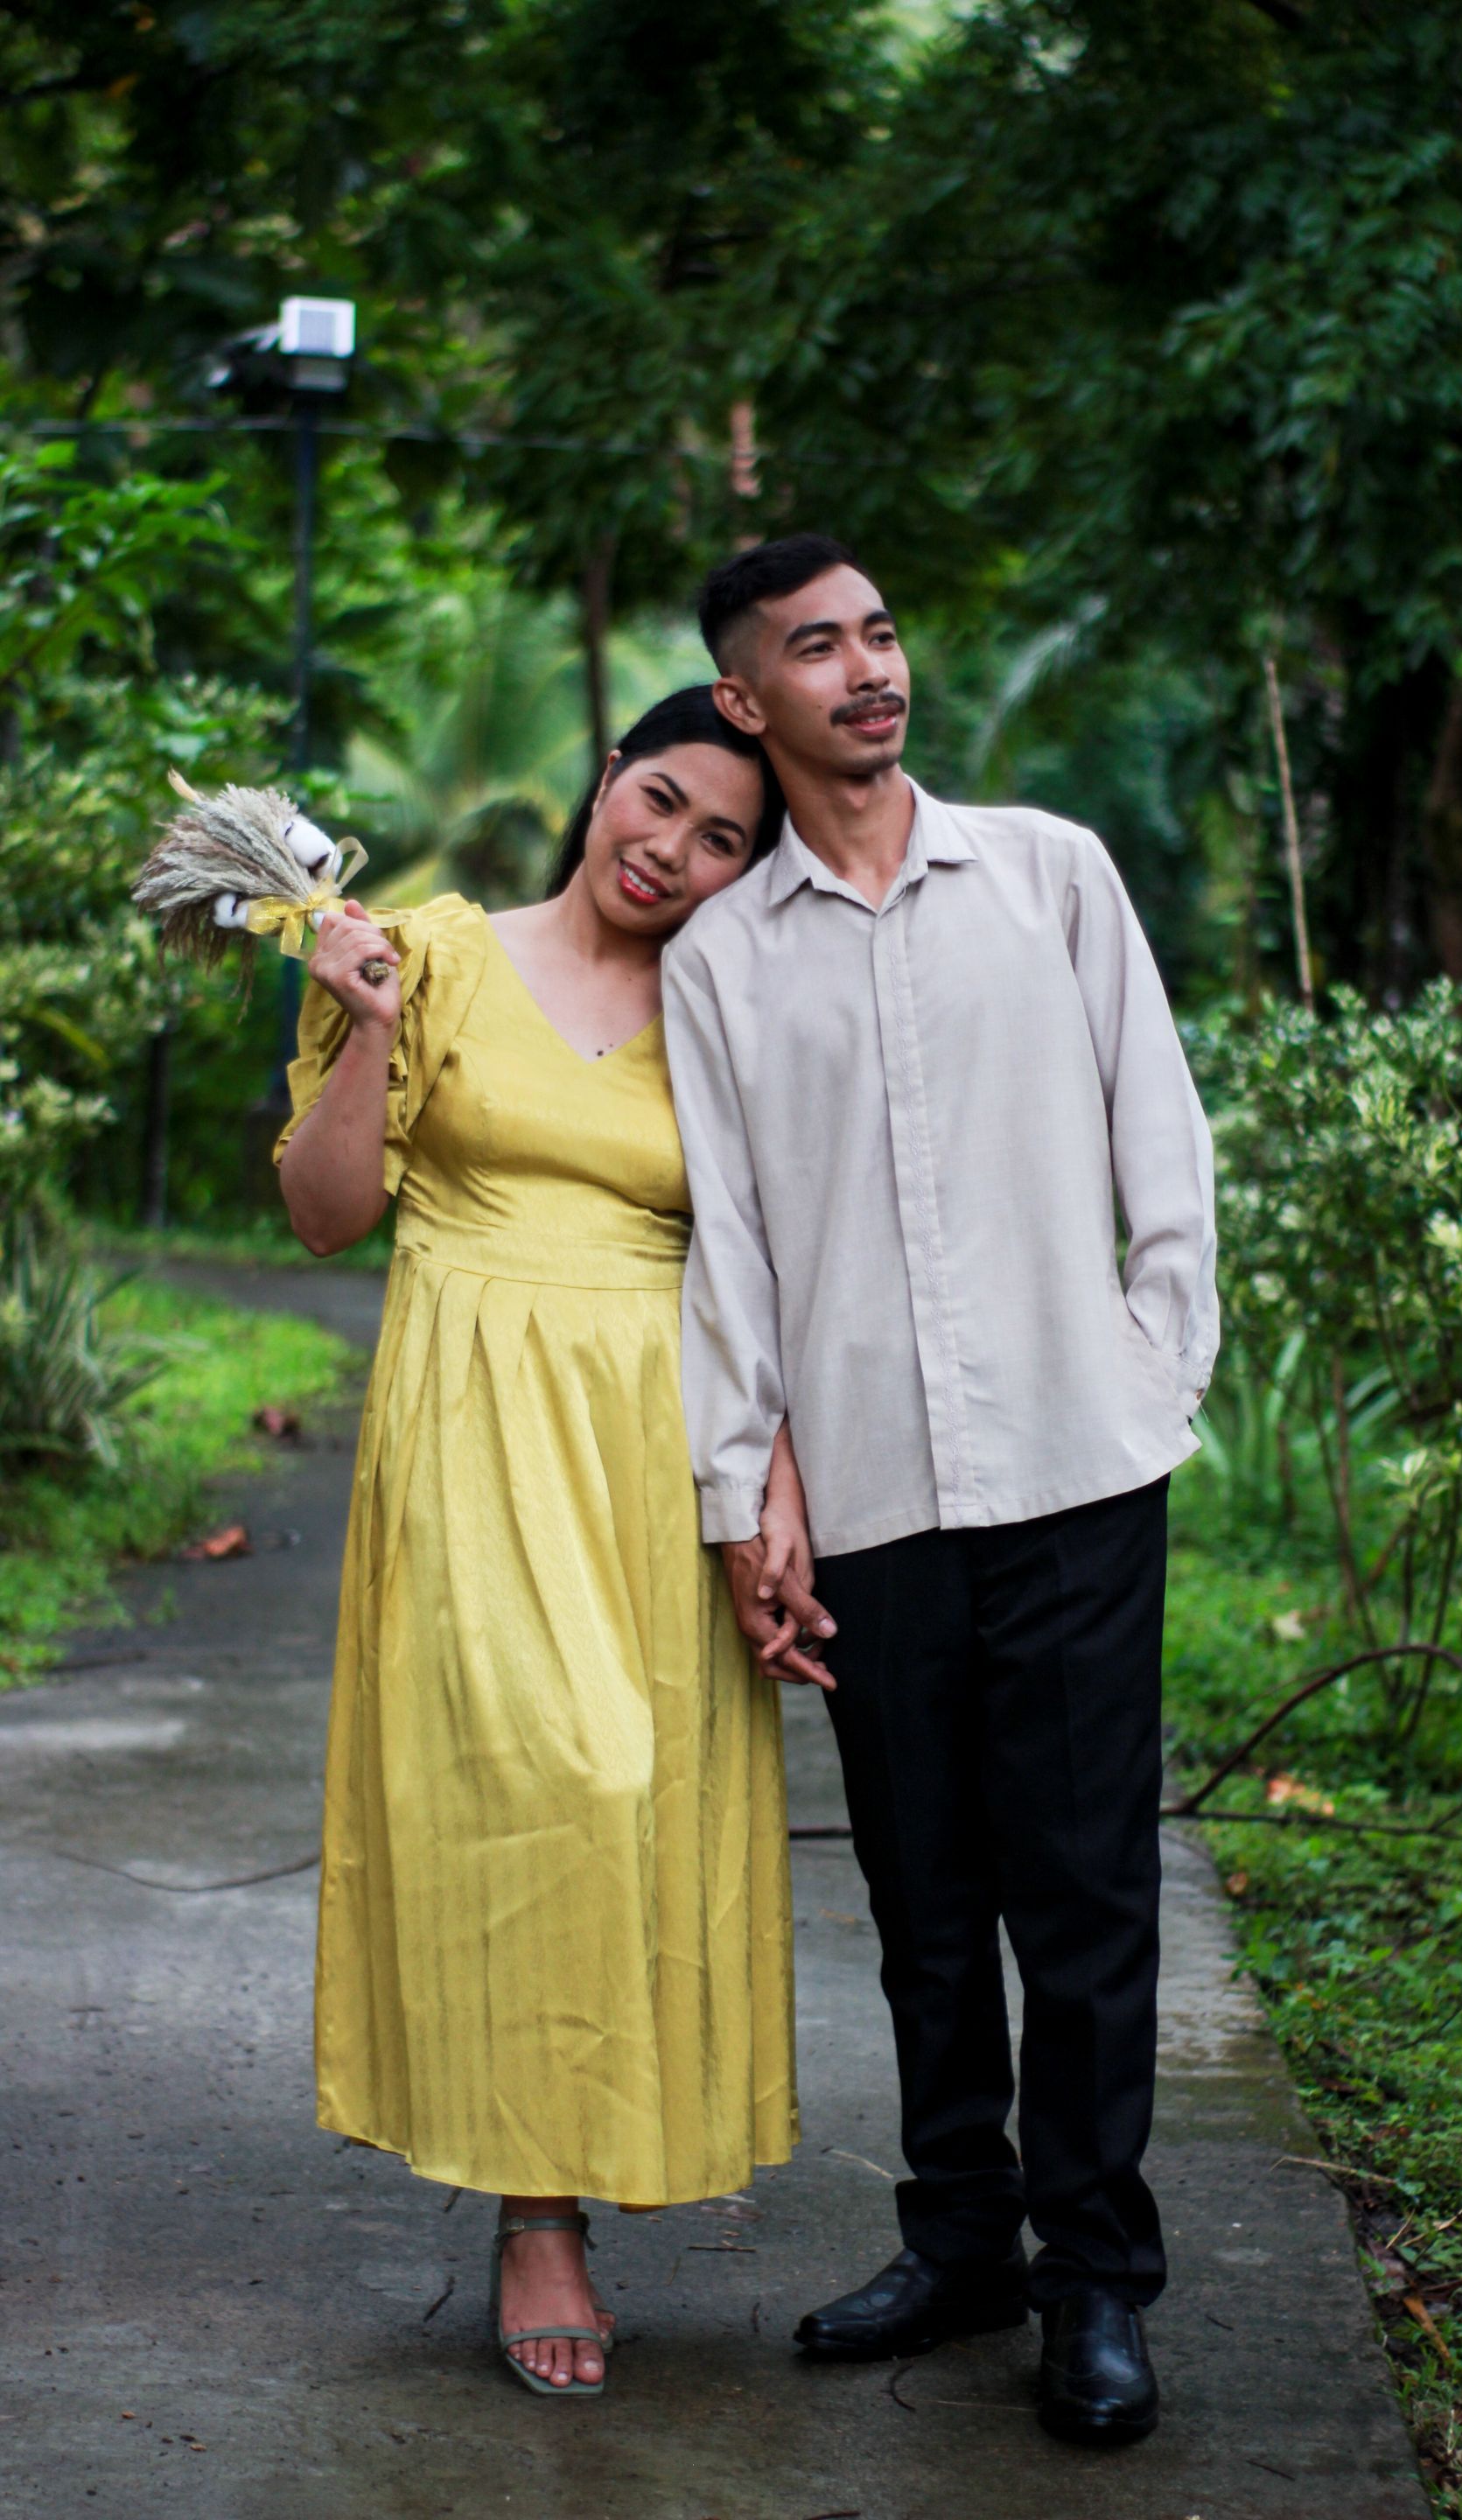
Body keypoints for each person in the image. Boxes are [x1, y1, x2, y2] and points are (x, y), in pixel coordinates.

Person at [661, 537, 1219, 2448]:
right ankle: (963, 2238)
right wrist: (745, 1491)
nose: (870, 669)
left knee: (1087, 1894)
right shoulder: (727, 961)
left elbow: (1163, 1137)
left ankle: (1096, 2282)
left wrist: (1152, 1372)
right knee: (922, 1900)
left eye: (882, 632)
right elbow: (732, 1251)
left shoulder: (1050, 874)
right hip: (876, 1500)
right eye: (819, 647)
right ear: (748, 699)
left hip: (1077, 1467)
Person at [274, 687, 819, 2400]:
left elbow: (769, 1273)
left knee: (642, 1804)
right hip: (471, 1421)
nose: (672, 851)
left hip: (660, 1443)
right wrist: (366, 1027)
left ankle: (590, 2153)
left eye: (722, 839)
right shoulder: (431, 952)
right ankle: (538, 2217)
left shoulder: (733, 1014)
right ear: (604, 781)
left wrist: (778, 1487)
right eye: (659, 801)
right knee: (550, 1782)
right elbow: (324, 1213)